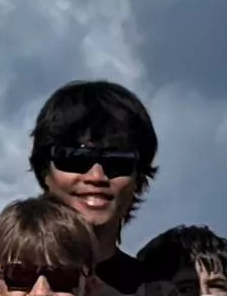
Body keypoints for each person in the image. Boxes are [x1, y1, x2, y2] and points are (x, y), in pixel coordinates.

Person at [30, 78, 160, 256]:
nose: (96, 176)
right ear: (45, 170)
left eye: (117, 160)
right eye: (75, 158)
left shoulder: (153, 284)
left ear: (138, 177)